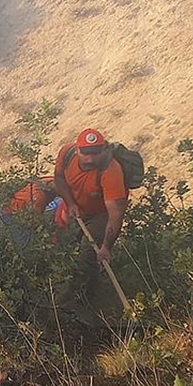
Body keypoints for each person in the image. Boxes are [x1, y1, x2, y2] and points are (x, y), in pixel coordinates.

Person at [51, 127, 130, 313]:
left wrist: (106, 247)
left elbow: (115, 215)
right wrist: (70, 203)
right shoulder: (67, 153)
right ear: (77, 149)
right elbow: (59, 178)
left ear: (103, 150)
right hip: (74, 207)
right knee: (59, 247)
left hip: (100, 214)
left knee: (89, 254)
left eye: (95, 153)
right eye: (85, 153)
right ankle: (57, 296)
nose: (90, 158)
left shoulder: (111, 172)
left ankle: (85, 301)